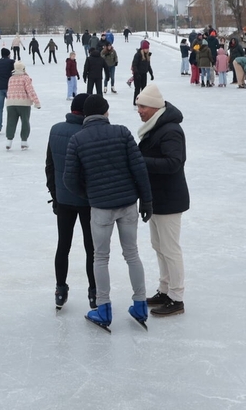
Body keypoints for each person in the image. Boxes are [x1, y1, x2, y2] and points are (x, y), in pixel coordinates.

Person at [64, 94, 152, 330]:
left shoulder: (77, 139)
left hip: (101, 208)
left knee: (100, 257)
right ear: (105, 112)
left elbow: (69, 180)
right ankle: (141, 304)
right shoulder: (122, 133)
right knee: (131, 254)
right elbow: (139, 169)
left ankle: (103, 309)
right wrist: (147, 201)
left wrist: (90, 194)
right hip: (127, 205)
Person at [134, 84, 188, 317]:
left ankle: (176, 297)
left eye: (142, 106)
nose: (139, 110)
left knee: (170, 249)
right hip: (157, 197)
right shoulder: (155, 127)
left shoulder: (170, 130)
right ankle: (165, 290)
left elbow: (174, 163)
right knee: (159, 247)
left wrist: (140, 160)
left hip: (169, 199)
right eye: (138, 106)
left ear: (155, 107)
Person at [46, 94, 96, 310]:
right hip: (88, 200)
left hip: (63, 199)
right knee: (91, 248)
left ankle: (60, 288)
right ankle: (94, 291)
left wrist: (54, 194)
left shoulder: (56, 129)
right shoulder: (89, 133)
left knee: (63, 245)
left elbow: (49, 166)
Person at [4, 61, 41, 150]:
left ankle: (9, 141)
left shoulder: (11, 78)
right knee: (25, 121)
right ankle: (24, 141)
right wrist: (36, 102)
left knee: (11, 122)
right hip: (23, 103)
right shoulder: (25, 78)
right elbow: (30, 90)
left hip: (11, 103)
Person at [0, 48, 15, 134]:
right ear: (8, 54)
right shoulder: (11, 62)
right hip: (9, 87)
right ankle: (11, 126)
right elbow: (15, 72)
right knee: (11, 108)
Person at [131, 41, 155, 105]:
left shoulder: (147, 55)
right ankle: (135, 102)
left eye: (148, 49)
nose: (147, 50)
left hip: (144, 74)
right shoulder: (138, 55)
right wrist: (137, 74)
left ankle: (142, 101)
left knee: (144, 89)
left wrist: (151, 74)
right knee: (137, 89)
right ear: (142, 49)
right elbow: (134, 65)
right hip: (137, 75)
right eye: (146, 49)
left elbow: (148, 65)